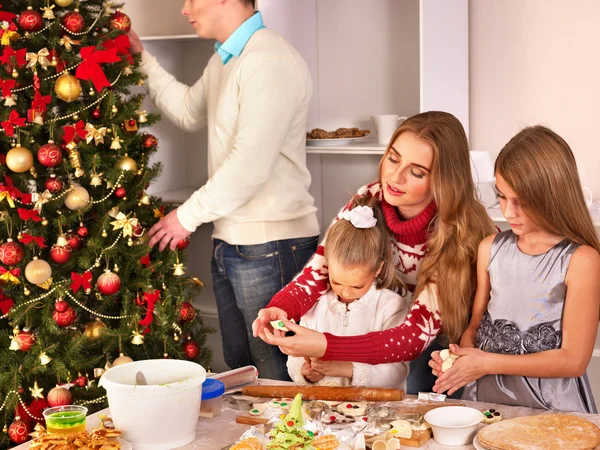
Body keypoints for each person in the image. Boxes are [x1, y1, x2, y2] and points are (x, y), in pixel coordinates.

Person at [129, 0, 320, 380]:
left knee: (276, 377)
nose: (185, 10)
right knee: (245, 369)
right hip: (234, 243)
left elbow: (249, 168)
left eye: (192, 0)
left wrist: (184, 217)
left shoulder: (268, 61)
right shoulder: (227, 59)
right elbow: (187, 110)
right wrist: (144, 59)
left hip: (271, 246)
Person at [252, 111, 497, 393]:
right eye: (393, 158)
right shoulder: (370, 198)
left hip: (446, 343)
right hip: (389, 323)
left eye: (416, 172)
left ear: (443, 181)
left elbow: (412, 337)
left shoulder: (453, 234)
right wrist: (281, 306)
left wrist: (326, 345)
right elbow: (320, 270)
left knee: (415, 389)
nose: (396, 175)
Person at [429, 126, 600, 413]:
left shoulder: (581, 260)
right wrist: (459, 359)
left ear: (552, 194)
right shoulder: (490, 249)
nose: (508, 212)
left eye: (522, 201)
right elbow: (474, 328)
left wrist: (487, 363)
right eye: (502, 196)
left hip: (551, 409)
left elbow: (574, 360)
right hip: (484, 401)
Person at [287, 197, 410, 389]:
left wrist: (346, 369)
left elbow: (397, 371)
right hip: (325, 409)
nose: (345, 292)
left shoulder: (391, 307)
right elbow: (294, 356)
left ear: (377, 269)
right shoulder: (316, 303)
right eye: (336, 282)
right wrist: (305, 371)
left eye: (357, 286)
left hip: (377, 410)